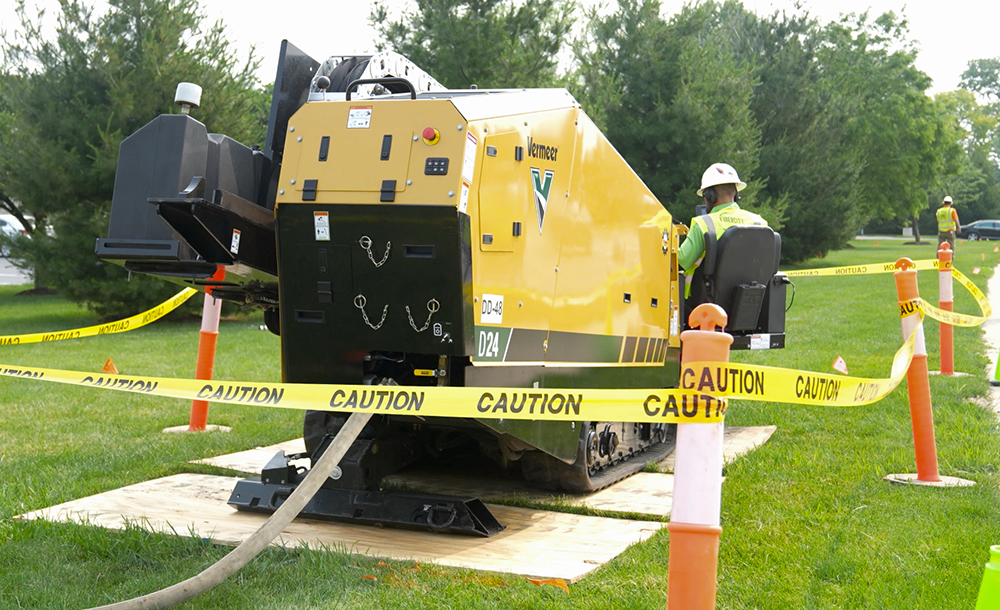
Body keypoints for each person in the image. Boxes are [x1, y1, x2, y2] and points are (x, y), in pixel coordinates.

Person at [677, 163, 767, 298]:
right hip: (751, 303)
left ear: (710, 196)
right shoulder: (760, 223)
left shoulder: (703, 224)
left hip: (706, 305)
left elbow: (678, 262)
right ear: (736, 195)